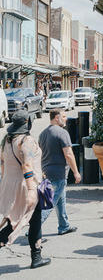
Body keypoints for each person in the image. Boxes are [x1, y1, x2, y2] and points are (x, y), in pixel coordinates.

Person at [0, 110, 51, 269]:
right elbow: (27, 165)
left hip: (9, 184)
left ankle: (37, 256)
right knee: (17, 221)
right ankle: (36, 257)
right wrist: (30, 190)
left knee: (26, 219)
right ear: (27, 122)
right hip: (25, 186)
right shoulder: (26, 141)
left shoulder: (7, 140)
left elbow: (2, 163)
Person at [38, 109, 81, 235]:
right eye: (64, 116)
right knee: (49, 204)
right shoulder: (62, 133)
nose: (66, 118)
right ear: (56, 118)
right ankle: (34, 228)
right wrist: (76, 172)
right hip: (58, 174)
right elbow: (68, 154)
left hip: (45, 172)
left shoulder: (43, 133)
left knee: (59, 200)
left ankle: (64, 226)